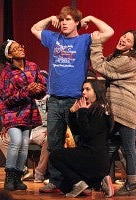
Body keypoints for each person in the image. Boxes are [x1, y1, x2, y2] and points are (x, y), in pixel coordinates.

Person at [31, 6, 114, 193]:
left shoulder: (84, 40)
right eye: (62, 20)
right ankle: (56, 181)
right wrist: (49, 17)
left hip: (76, 100)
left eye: (68, 19)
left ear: (77, 22)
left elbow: (109, 32)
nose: (63, 23)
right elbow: (34, 29)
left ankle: (83, 181)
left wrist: (91, 17)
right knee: (53, 143)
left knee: (80, 141)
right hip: (54, 99)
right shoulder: (54, 38)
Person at [90, 30, 136, 196]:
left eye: (128, 40)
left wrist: (96, 43)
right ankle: (102, 180)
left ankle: (131, 185)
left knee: (128, 148)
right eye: (123, 36)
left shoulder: (128, 60)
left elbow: (101, 67)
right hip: (116, 111)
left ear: (133, 47)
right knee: (109, 147)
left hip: (126, 109)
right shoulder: (117, 57)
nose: (123, 40)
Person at [0, 40, 47, 191]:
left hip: (28, 112)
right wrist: (27, 91)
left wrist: (38, 89)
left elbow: (42, 88)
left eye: (21, 46)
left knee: (24, 145)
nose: (21, 49)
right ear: (10, 55)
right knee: (16, 141)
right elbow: (7, 99)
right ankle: (9, 175)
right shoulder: (7, 73)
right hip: (11, 112)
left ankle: (17, 177)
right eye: (16, 48)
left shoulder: (32, 66)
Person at [49, 79, 114, 198]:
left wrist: (83, 112)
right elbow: (77, 132)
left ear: (96, 92)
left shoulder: (100, 109)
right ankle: (97, 182)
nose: (83, 92)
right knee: (65, 187)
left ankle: (97, 181)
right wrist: (73, 113)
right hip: (87, 155)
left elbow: (88, 134)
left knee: (54, 155)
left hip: (94, 157)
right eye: (83, 89)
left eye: (87, 89)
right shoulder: (90, 108)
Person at [0, 87, 49, 183]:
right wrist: (6, 126)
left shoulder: (49, 98)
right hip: (23, 129)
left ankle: (40, 173)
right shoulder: (23, 96)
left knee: (50, 139)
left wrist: (51, 129)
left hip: (41, 130)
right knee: (1, 139)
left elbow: (56, 116)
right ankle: (21, 169)